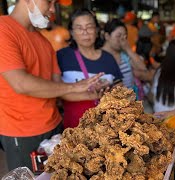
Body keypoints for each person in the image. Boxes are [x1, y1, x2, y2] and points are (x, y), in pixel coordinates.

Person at [0, 0, 102, 171]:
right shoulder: (4, 29)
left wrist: (92, 94)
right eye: (49, 2)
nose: (53, 9)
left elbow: (57, 88)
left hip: (54, 127)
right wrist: (74, 87)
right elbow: (20, 83)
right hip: (22, 132)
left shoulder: (45, 43)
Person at [57, 9, 123, 129]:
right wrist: (91, 94)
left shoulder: (108, 58)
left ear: (97, 31)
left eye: (89, 27)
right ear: (72, 32)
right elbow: (56, 91)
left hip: (106, 127)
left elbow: (121, 89)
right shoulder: (62, 57)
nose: (85, 32)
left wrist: (105, 89)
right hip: (74, 127)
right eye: (79, 28)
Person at [102, 19, 150, 88]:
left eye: (125, 37)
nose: (122, 40)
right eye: (118, 36)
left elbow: (143, 68)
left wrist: (128, 49)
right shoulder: (98, 56)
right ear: (107, 36)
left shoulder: (124, 55)